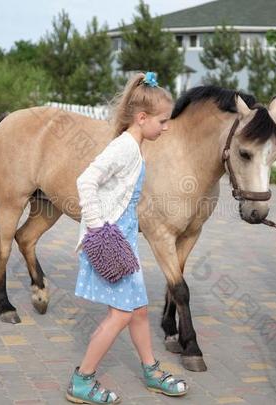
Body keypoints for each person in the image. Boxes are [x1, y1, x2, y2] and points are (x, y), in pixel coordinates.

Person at [66, 72, 189, 404]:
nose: (166, 127)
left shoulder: (137, 146)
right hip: (110, 242)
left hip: (125, 241)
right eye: (162, 121)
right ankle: (82, 380)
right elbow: (85, 180)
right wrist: (96, 227)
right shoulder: (124, 148)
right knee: (120, 314)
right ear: (142, 117)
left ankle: (150, 370)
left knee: (138, 310)